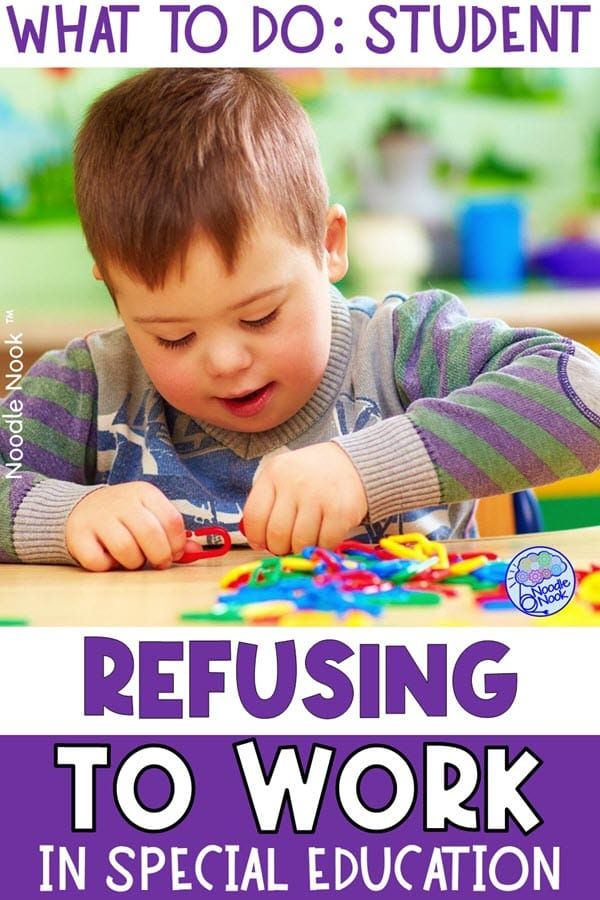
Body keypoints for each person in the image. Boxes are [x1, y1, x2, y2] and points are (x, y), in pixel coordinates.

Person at [1, 68, 599, 570]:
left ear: (329, 245)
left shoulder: (401, 348)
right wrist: (64, 516)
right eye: (172, 336)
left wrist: (365, 469)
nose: (226, 361)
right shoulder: (88, 386)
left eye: (260, 317)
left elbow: (587, 395)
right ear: (115, 296)